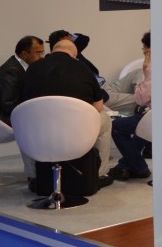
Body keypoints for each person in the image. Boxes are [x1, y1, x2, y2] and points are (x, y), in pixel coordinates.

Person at [20, 38, 114, 187]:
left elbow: (23, 102)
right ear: (74, 55)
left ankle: (34, 176)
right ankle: (100, 175)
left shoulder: (32, 68)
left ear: (52, 52)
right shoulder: (82, 68)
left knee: (24, 123)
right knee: (106, 121)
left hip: (41, 130)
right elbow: (98, 106)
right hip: (75, 131)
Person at [109, 32, 153, 181]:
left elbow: (141, 99)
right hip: (158, 115)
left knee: (116, 127)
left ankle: (138, 167)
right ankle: (125, 165)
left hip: (153, 117)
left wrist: (146, 68)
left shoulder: (151, 68)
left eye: (144, 48)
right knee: (139, 123)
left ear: (148, 49)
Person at [0, 35, 45, 125]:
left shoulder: (18, 66)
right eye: (38, 53)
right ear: (24, 54)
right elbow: (8, 104)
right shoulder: (11, 71)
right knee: (35, 122)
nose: (42, 57)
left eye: (42, 53)